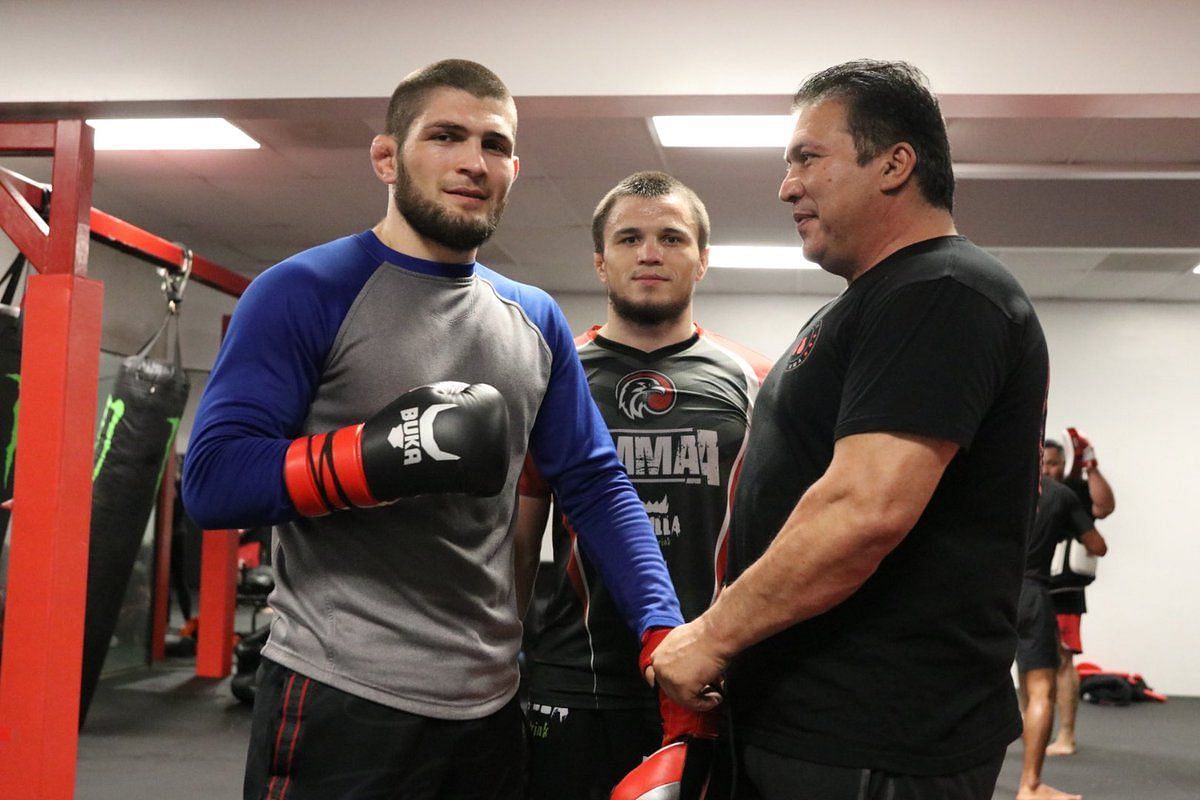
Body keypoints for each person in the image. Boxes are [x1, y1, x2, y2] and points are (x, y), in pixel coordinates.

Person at [181, 60, 683, 800]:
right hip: (340, 692)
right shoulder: (302, 291)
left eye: (494, 144)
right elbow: (214, 481)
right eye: (446, 135)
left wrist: (660, 624)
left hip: (488, 700)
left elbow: (594, 482)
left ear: (514, 167)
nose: (473, 162)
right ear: (387, 156)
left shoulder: (534, 318)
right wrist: (374, 457)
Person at [647, 60, 1049, 800]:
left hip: (876, 738)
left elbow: (862, 512)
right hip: (810, 720)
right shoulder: (876, 300)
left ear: (895, 163)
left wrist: (712, 636)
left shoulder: (943, 291)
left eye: (808, 157)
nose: (786, 184)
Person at [514, 171, 772, 800]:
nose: (650, 253)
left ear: (703, 261)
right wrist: (504, 658)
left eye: (671, 238)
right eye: (629, 238)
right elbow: (519, 539)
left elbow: (776, 534)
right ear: (601, 262)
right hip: (578, 677)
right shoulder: (553, 374)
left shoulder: (757, 380)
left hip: (717, 676)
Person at [1014, 460, 1105, 800]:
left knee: (976, 682)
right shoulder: (1059, 495)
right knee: (1040, 691)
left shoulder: (994, 483)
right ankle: (1030, 786)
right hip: (1033, 594)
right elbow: (1098, 546)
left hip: (990, 594)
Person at [1042, 435, 1113, 757]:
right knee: (1026, 660)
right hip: (1028, 587)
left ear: (1064, 464)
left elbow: (1105, 506)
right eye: (1042, 463)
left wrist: (1092, 467)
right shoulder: (1025, 493)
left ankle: (1066, 735)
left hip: (1065, 588)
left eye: (1053, 463)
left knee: (1062, 659)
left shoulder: (1074, 493)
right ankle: (1033, 729)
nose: (1047, 469)